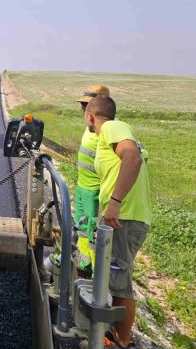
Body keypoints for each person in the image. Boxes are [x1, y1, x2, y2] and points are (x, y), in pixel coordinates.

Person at [84, 96, 152, 349]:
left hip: (125, 218)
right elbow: (115, 174)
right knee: (112, 279)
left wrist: (115, 202)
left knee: (120, 282)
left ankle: (122, 340)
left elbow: (132, 159)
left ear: (91, 116)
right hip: (120, 217)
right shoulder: (113, 136)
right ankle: (112, 333)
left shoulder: (112, 128)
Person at [75, 84, 111, 275]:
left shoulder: (108, 132)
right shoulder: (89, 128)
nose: (84, 111)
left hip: (96, 192)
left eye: (87, 106)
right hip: (82, 188)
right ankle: (83, 264)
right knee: (81, 229)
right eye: (83, 106)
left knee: (94, 234)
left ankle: (99, 278)